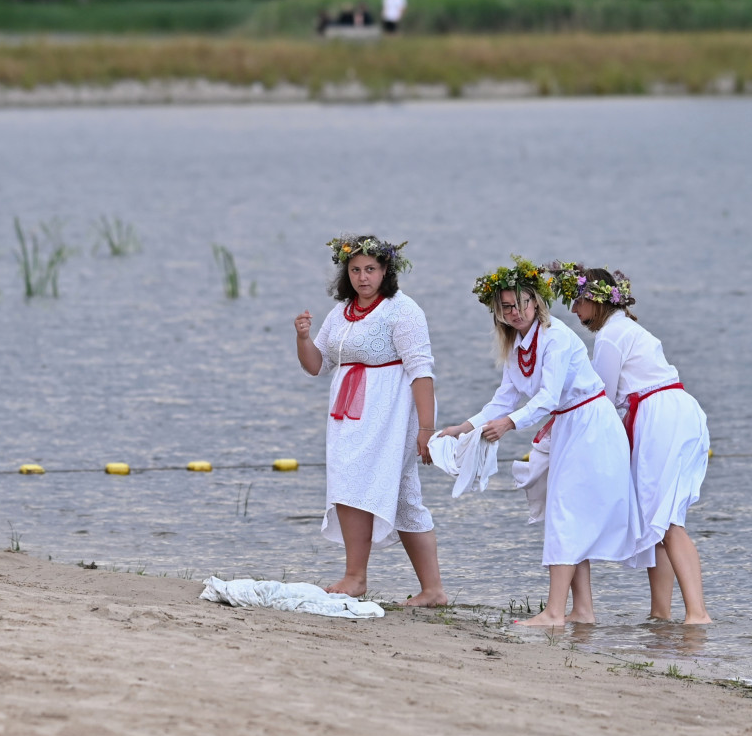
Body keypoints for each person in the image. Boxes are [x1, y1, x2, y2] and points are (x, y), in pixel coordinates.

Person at [439, 257, 642, 627]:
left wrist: (509, 425)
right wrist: (462, 428)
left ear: (536, 303)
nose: (515, 311)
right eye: (506, 306)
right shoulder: (517, 346)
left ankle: (553, 612)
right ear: (498, 312)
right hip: (568, 426)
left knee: (566, 512)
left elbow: (547, 397)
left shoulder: (556, 337)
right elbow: (504, 399)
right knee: (565, 513)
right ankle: (582, 611)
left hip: (590, 424)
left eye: (521, 303)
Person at [548, 262, 712, 624]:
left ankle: (698, 614)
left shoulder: (610, 335)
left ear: (596, 300)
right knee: (660, 519)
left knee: (667, 522)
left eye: (577, 301)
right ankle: (660, 614)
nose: (574, 310)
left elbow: (600, 397)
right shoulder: (625, 329)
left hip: (659, 416)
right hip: (675, 411)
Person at [294, 235, 446, 607]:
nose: (363, 277)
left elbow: (421, 371)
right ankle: (368, 578)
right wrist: (303, 338)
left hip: (391, 410)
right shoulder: (341, 312)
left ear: (385, 271)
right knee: (356, 484)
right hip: (348, 413)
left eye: (371, 269)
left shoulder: (402, 310)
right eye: (356, 270)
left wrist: (426, 429)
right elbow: (318, 366)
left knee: (397, 486)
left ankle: (417, 587)